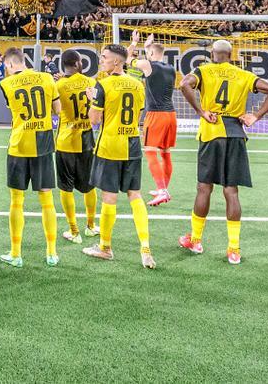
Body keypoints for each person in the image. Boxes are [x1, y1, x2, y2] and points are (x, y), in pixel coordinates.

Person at [178, 39, 268, 265]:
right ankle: (233, 249)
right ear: (231, 55)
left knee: (204, 188)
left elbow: (184, 84)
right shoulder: (243, 75)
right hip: (235, 134)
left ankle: (195, 240)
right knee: (231, 191)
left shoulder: (203, 71)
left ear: (213, 54)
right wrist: (256, 116)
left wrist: (200, 111)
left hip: (212, 132)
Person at [81, 45, 155, 270]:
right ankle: (145, 248)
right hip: (132, 144)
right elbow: (138, 112)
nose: (101, 61)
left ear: (115, 62)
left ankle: (105, 247)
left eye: (104, 58)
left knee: (109, 198)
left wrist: (92, 99)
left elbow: (94, 119)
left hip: (110, 146)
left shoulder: (102, 85)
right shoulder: (138, 84)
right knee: (135, 195)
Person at [0, 47, 61, 267]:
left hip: (19, 145)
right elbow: (58, 110)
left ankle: (16, 254)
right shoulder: (46, 78)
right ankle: (51, 253)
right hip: (43, 143)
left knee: (17, 201)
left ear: (9, 64)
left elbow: (12, 108)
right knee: (47, 201)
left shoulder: (6, 85)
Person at [53, 49, 99, 244]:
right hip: (87, 140)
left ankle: (74, 231)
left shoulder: (59, 85)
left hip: (66, 141)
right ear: (78, 63)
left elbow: (54, 112)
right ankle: (90, 226)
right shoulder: (90, 82)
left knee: (66, 188)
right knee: (89, 187)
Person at [128, 31, 178, 207]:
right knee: (165, 153)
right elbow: (149, 60)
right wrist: (147, 46)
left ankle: (162, 191)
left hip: (155, 115)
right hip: (171, 115)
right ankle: (163, 188)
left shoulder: (148, 65)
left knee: (149, 151)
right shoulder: (170, 68)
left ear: (150, 54)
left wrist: (134, 43)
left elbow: (128, 60)